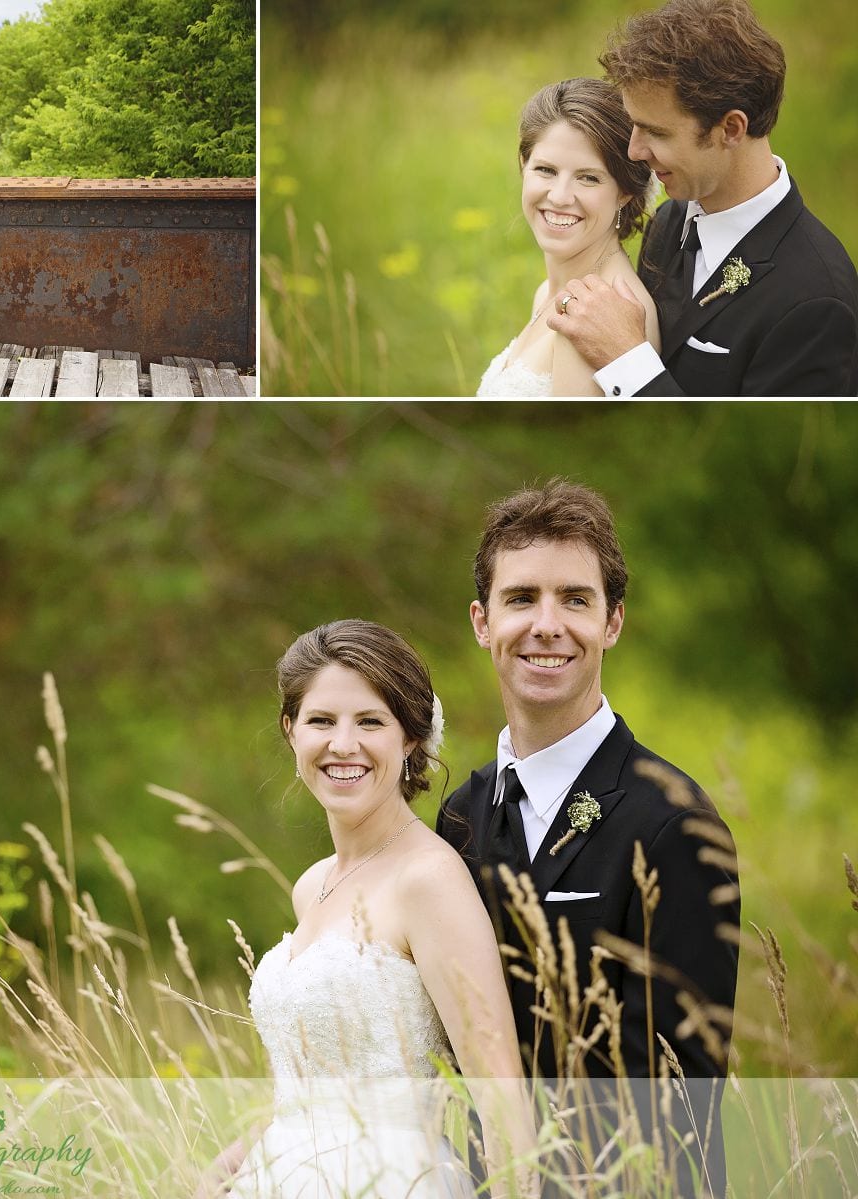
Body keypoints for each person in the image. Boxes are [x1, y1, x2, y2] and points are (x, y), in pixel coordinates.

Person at [435, 480, 740, 1196]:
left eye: (575, 599)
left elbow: (679, 1096)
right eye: (521, 598)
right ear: (482, 621)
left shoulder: (674, 824)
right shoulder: (459, 818)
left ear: (613, 622)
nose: (547, 625)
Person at [200, 620, 536, 1199]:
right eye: (321, 721)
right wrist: (228, 1168)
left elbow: (501, 1093)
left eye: (371, 722)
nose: (343, 745)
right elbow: (310, 1097)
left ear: (410, 737)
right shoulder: (312, 886)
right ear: (291, 732)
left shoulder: (428, 880)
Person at [549, 0, 858, 396]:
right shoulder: (668, 222)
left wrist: (627, 359)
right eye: (633, 126)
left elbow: (754, 455)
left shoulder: (816, 301)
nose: (633, 151)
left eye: (656, 133)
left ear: (730, 129)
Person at [477, 78, 660, 397]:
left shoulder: (594, 317)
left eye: (588, 178)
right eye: (545, 170)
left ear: (625, 193)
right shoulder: (548, 293)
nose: (560, 197)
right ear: (524, 166)